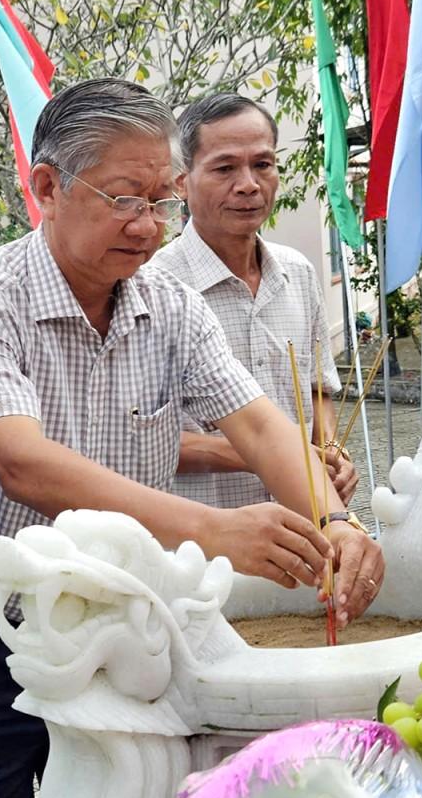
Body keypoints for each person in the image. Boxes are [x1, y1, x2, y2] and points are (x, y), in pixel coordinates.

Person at [0, 77, 385, 798]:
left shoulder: (166, 303)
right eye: (124, 198)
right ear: (44, 189)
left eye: (159, 200)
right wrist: (215, 531)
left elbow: (260, 421)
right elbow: (26, 464)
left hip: (130, 627)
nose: (148, 224)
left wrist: (339, 519)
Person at [150, 93, 358, 508]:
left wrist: (331, 450)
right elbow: (139, 440)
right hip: (209, 543)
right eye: (225, 168)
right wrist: (276, 456)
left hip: (306, 523)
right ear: (181, 181)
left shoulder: (297, 273)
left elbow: (317, 390)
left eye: (262, 164)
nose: (248, 184)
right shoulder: (154, 290)